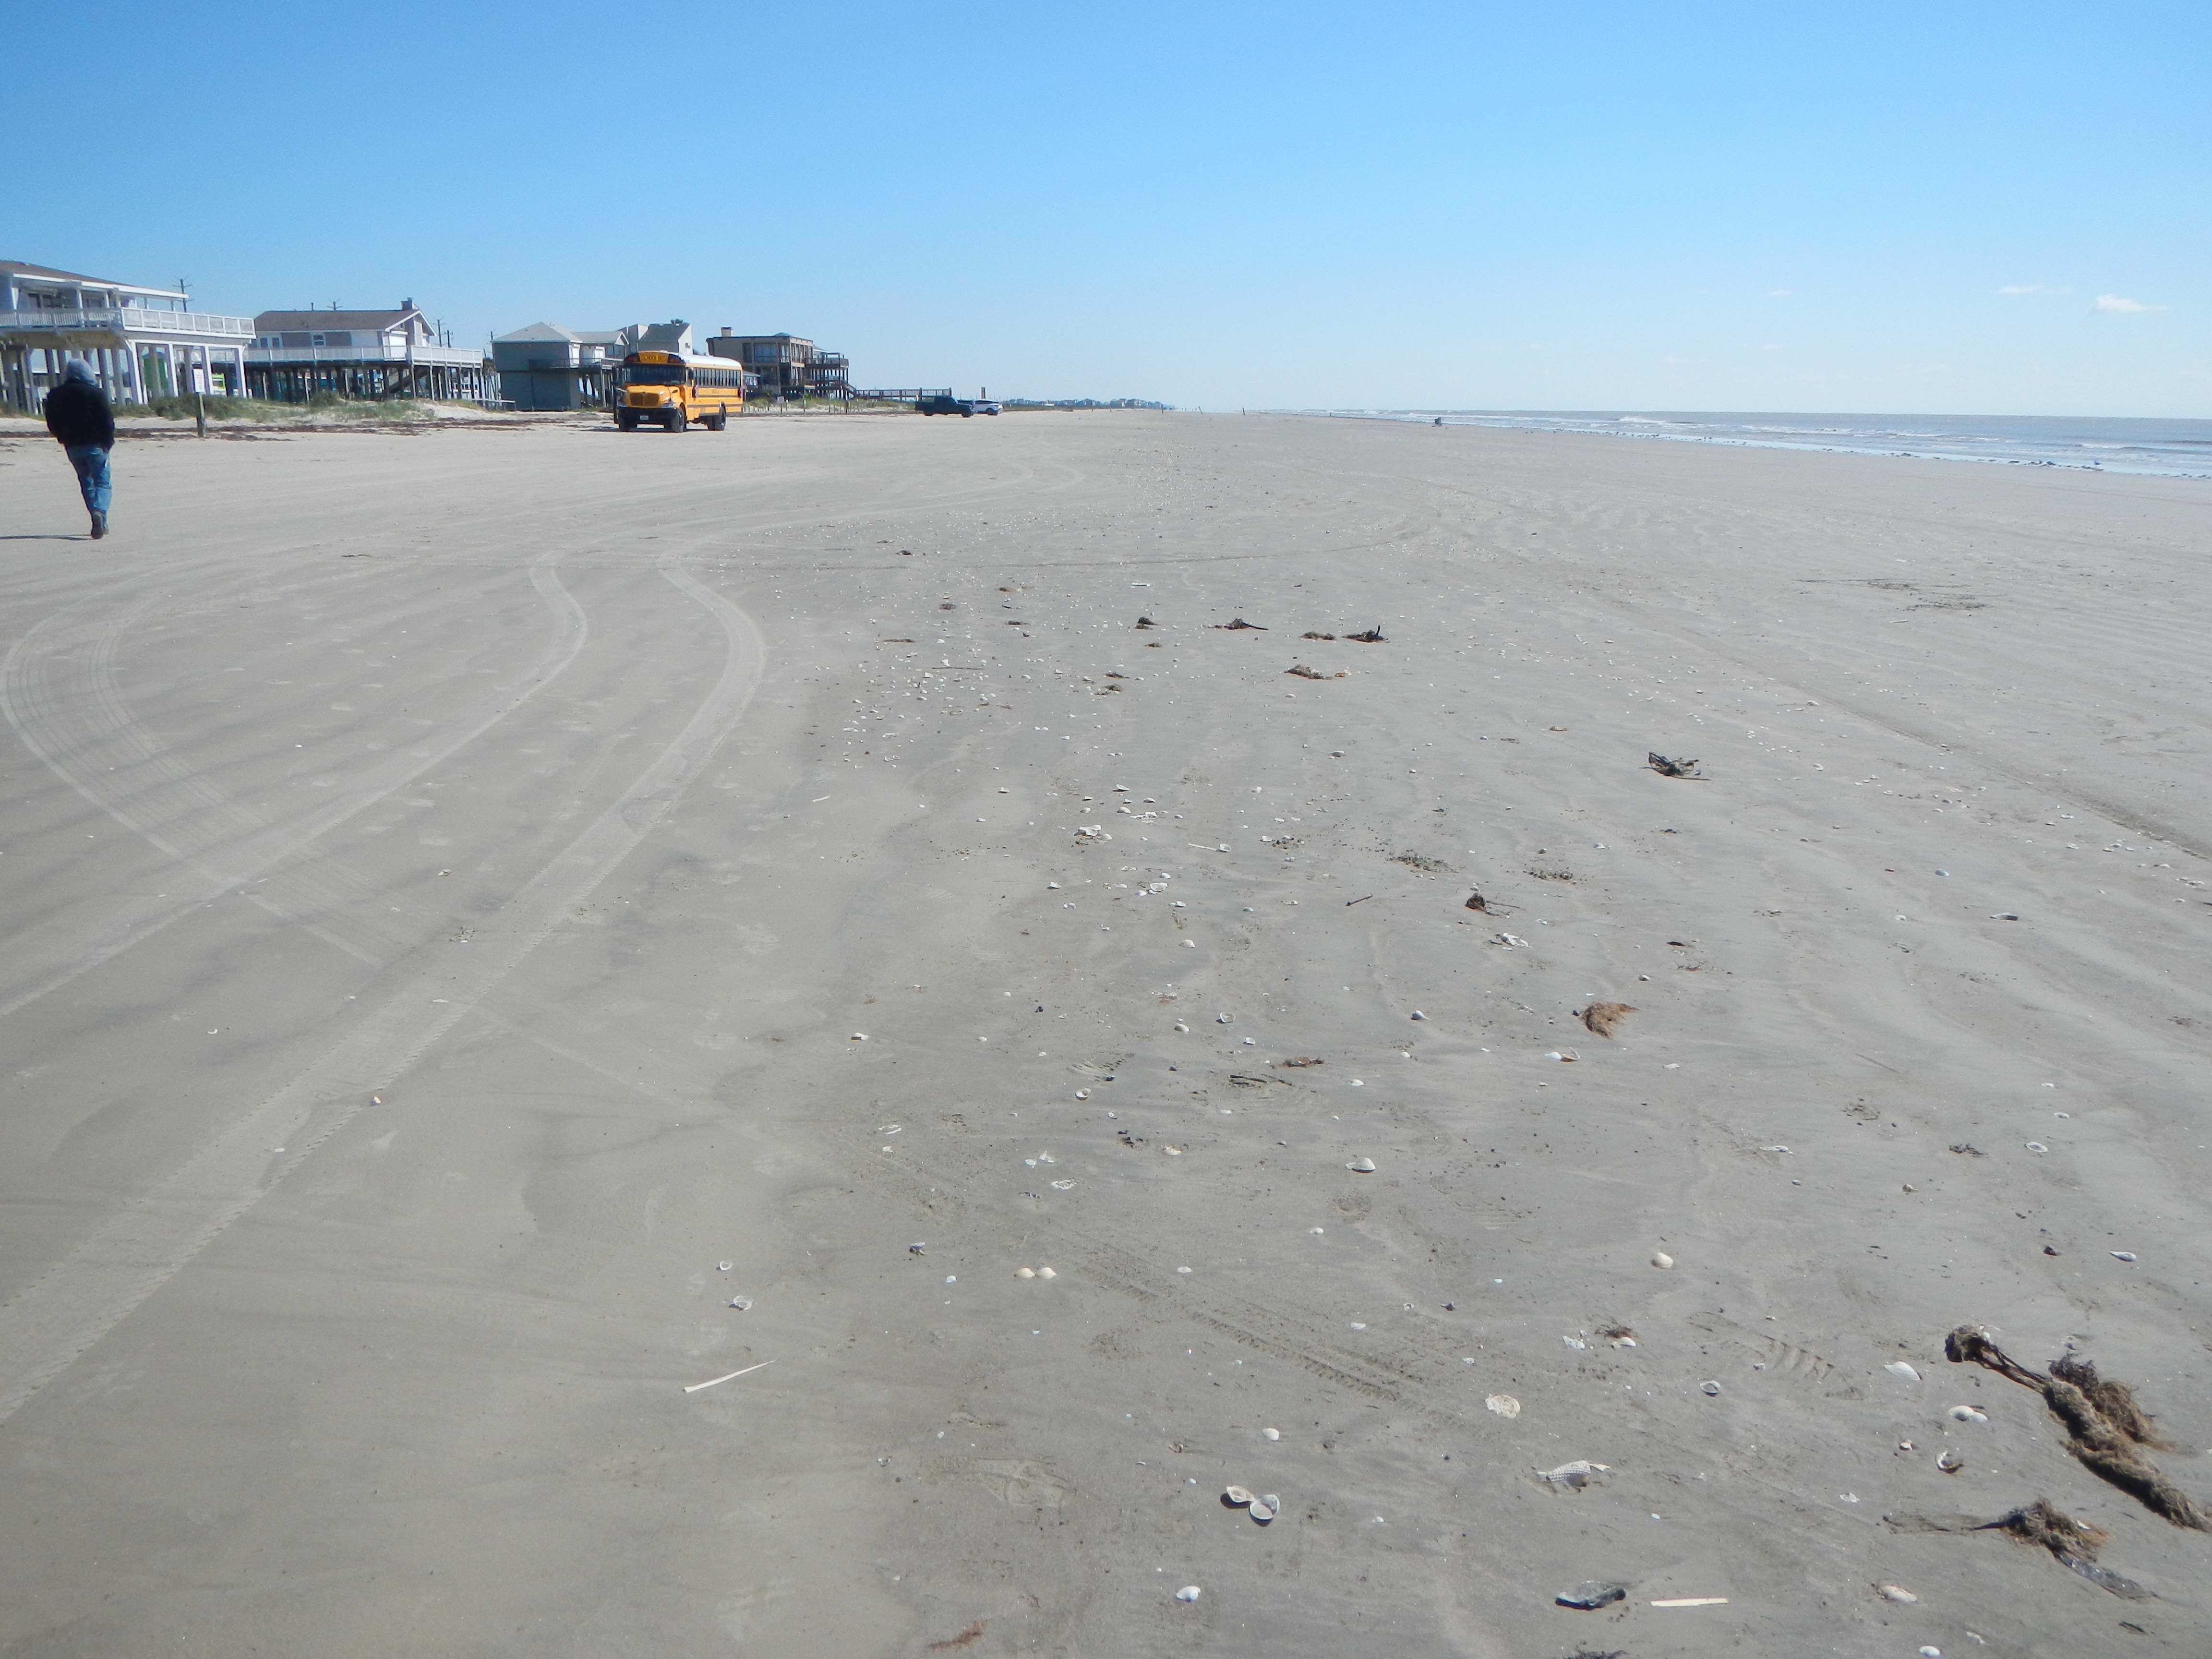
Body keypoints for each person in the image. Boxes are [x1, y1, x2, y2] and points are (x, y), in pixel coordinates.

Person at [44, 359, 116, 539]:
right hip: (96, 445)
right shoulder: (94, 393)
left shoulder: (55, 395)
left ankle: (98, 518)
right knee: (103, 482)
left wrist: (62, 437)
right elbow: (106, 420)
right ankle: (100, 513)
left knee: (86, 482)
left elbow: (52, 422)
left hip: (73, 446)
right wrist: (108, 442)